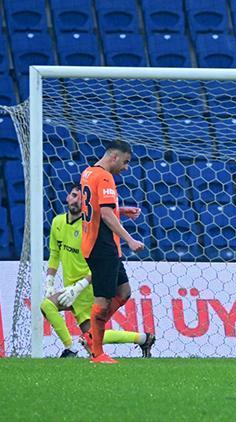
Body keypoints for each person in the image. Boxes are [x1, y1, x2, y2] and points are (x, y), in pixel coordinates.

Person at [42, 183, 155, 358]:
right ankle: (143, 338)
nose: (76, 200)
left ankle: (70, 349)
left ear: (87, 204)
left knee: (48, 306)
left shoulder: (91, 227)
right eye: (73, 195)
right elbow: (55, 254)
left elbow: (101, 264)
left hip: (86, 287)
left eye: (81, 198)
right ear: (67, 197)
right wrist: (49, 280)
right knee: (91, 335)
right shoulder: (57, 222)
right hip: (70, 286)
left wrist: (78, 287)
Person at [80, 140, 146, 364]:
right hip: (102, 246)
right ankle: (97, 353)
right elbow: (106, 215)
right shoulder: (105, 177)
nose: (126, 168)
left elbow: (94, 206)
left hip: (98, 244)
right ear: (115, 157)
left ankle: (92, 335)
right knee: (103, 301)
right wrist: (130, 239)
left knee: (124, 292)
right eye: (125, 162)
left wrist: (120, 210)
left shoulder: (88, 173)